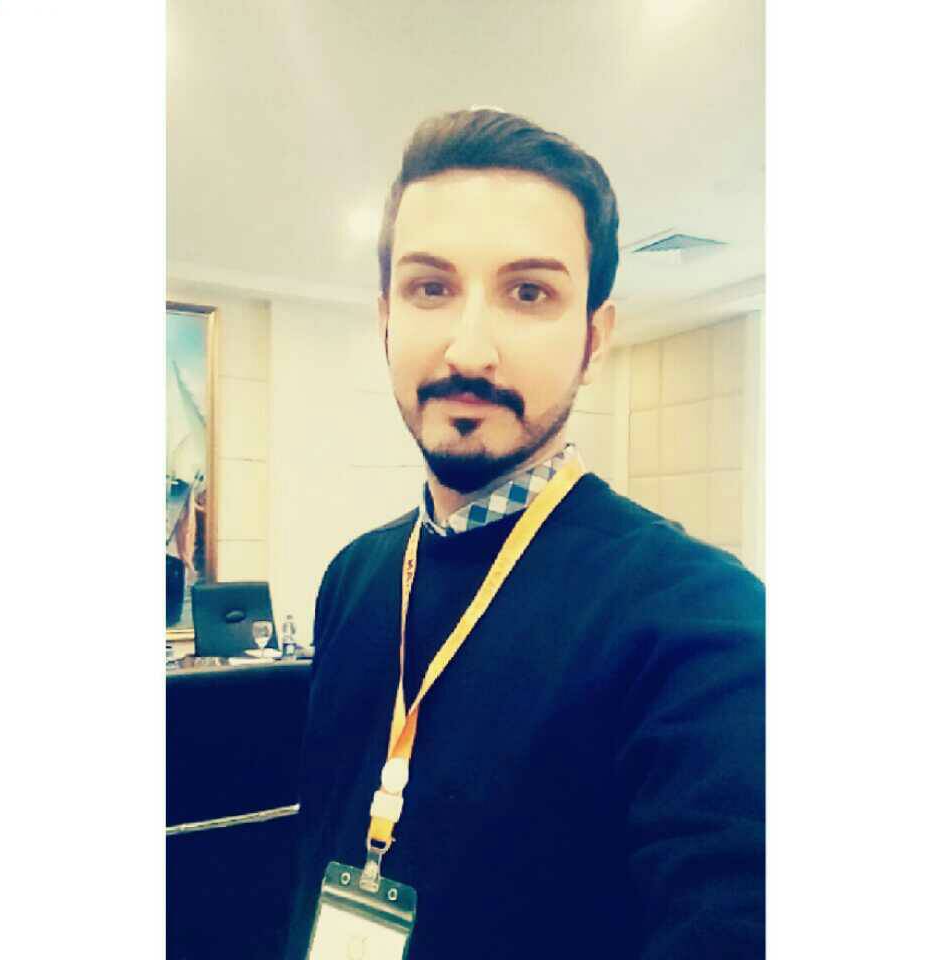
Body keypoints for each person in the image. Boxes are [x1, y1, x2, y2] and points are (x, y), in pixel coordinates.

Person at [284, 109, 764, 959]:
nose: (470, 351)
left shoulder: (704, 617)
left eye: (529, 293)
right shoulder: (354, 576)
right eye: (431, 288)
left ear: (594, 339)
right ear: (386, 318)